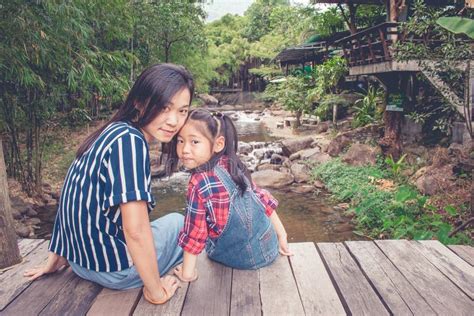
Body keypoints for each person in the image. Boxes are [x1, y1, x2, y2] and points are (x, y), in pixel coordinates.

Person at [24, 63, 194, 305]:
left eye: (183, 111)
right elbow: (135, 231)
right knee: (179, 223)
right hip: (113, 272)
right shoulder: (131, 143)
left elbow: (75, 196)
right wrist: (156, 292)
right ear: (139, 102)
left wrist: (56, 258)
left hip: (79, 262)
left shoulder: (111, 131)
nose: (174, 121)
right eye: (164, 107)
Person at [171, 109, 292, 282]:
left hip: (239, 259)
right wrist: (282, 235)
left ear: (218, 144)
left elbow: (194, 232)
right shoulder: (233, 164)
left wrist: (187, 274)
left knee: (179, 225)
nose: (184, 149)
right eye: (180, 141)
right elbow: (262, 199)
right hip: (268, 247)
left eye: (194, 142)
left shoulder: (199, 183)